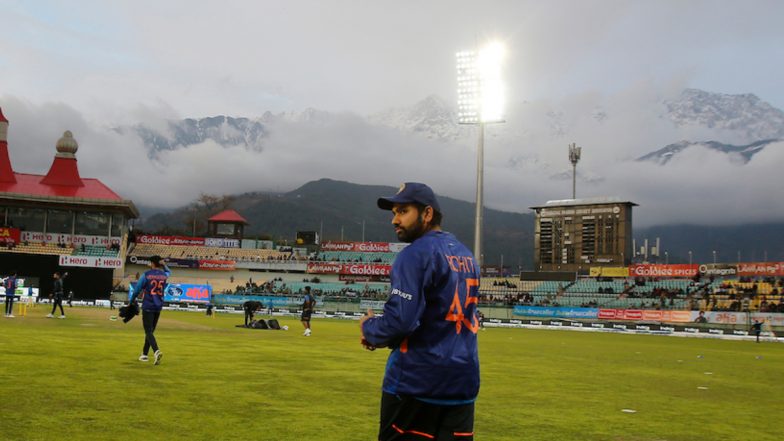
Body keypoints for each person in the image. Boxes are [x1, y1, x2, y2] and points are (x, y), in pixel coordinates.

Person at [360, 182, 481, 441]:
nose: (395, 220)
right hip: (462, 384)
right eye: (394, 212)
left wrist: (369, 329)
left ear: (427, 214)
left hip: (416, 383)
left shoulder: (414, 255)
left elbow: (401, 321)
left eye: (403, 211)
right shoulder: (467, 255)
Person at [129, 256, 170, 365]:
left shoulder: (146, 275)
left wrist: (131, 301)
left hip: (148, 306)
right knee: (150, 331)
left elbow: (137, 289)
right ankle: (144, 355)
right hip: (158, 306)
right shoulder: (164, 275)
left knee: (148, 331)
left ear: (152, 263)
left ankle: (156, 351)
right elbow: (169, 272)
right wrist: (164, 265)